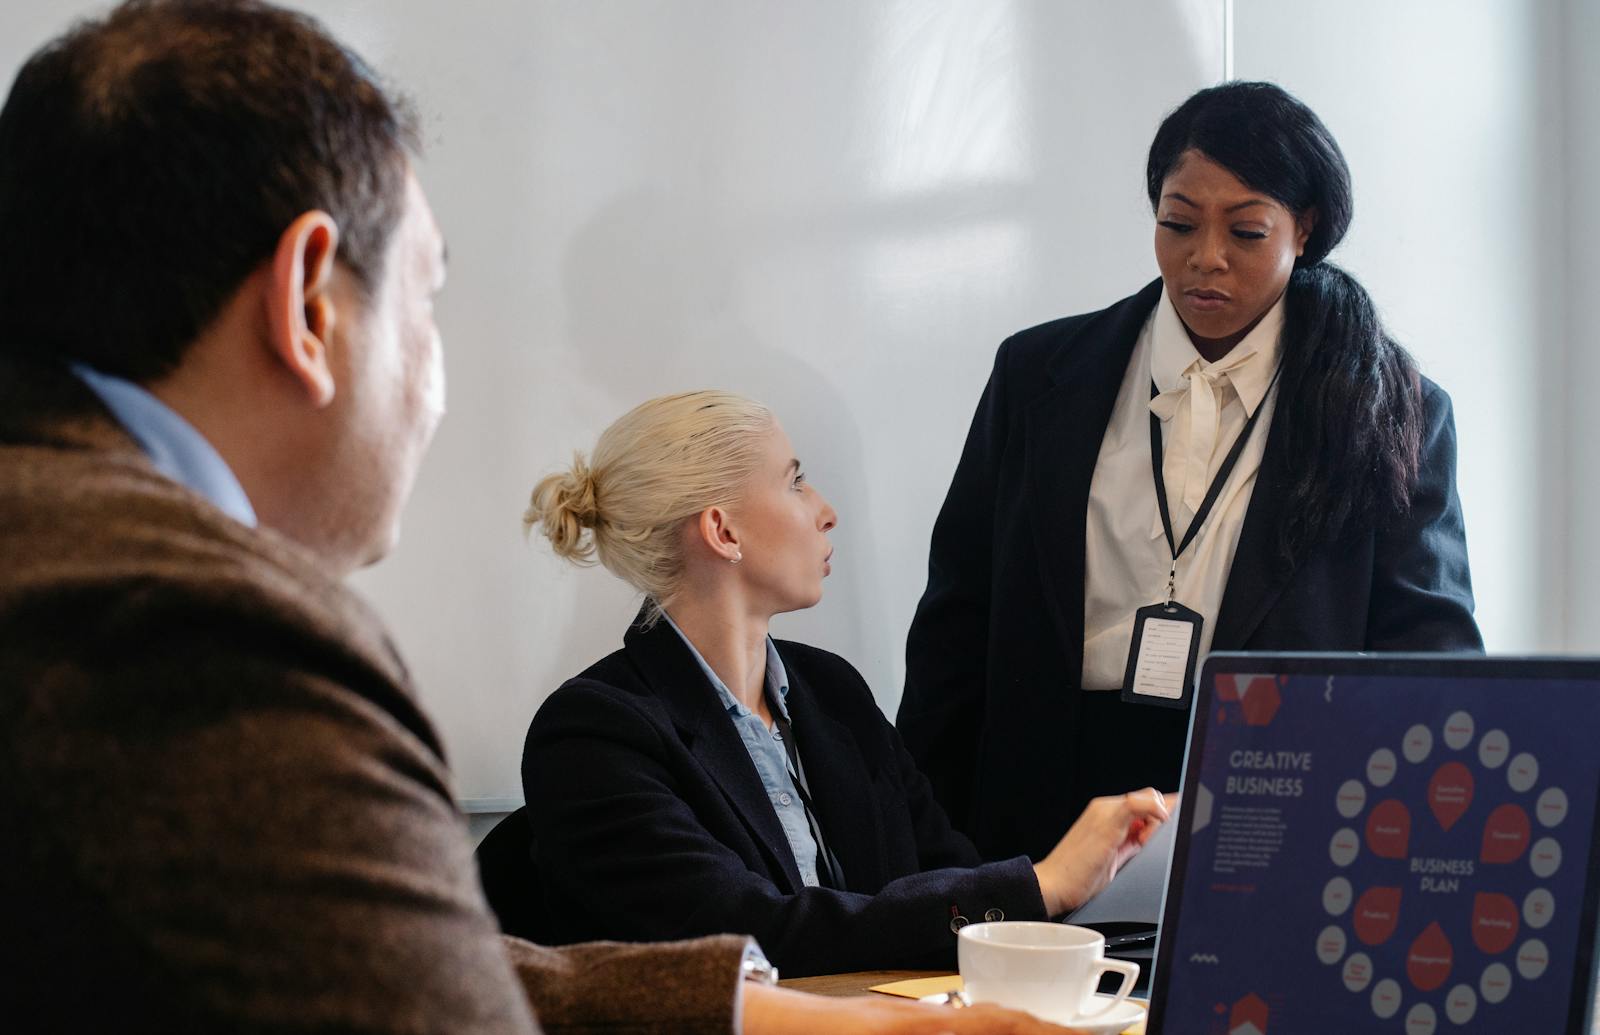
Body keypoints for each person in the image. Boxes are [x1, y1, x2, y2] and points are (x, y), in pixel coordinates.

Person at [0, 3, 1084, 1032]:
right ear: (308, 301)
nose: (438, 379)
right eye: (427, 298)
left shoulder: (64, 544)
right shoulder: (194, 633)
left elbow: (435, 961)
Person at [896, 81, 1483, 865]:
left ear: (1303, 230)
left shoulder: (1391, 405)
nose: (1205, 258)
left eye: (1246, 231)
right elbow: (956, 625)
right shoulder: (1039, 375)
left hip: (1279, 799)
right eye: (1177, 224)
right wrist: (919, 841)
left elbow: (1429, 655)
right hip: (1043, 796)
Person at [519, 391, 1173, 977]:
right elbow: (751, 941)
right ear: (722, 530)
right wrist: (1042, 882)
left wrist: (1109, 868)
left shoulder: (832, 692)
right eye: (795, 482)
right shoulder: (592, 734)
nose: (826, 511)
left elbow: (947, 876)